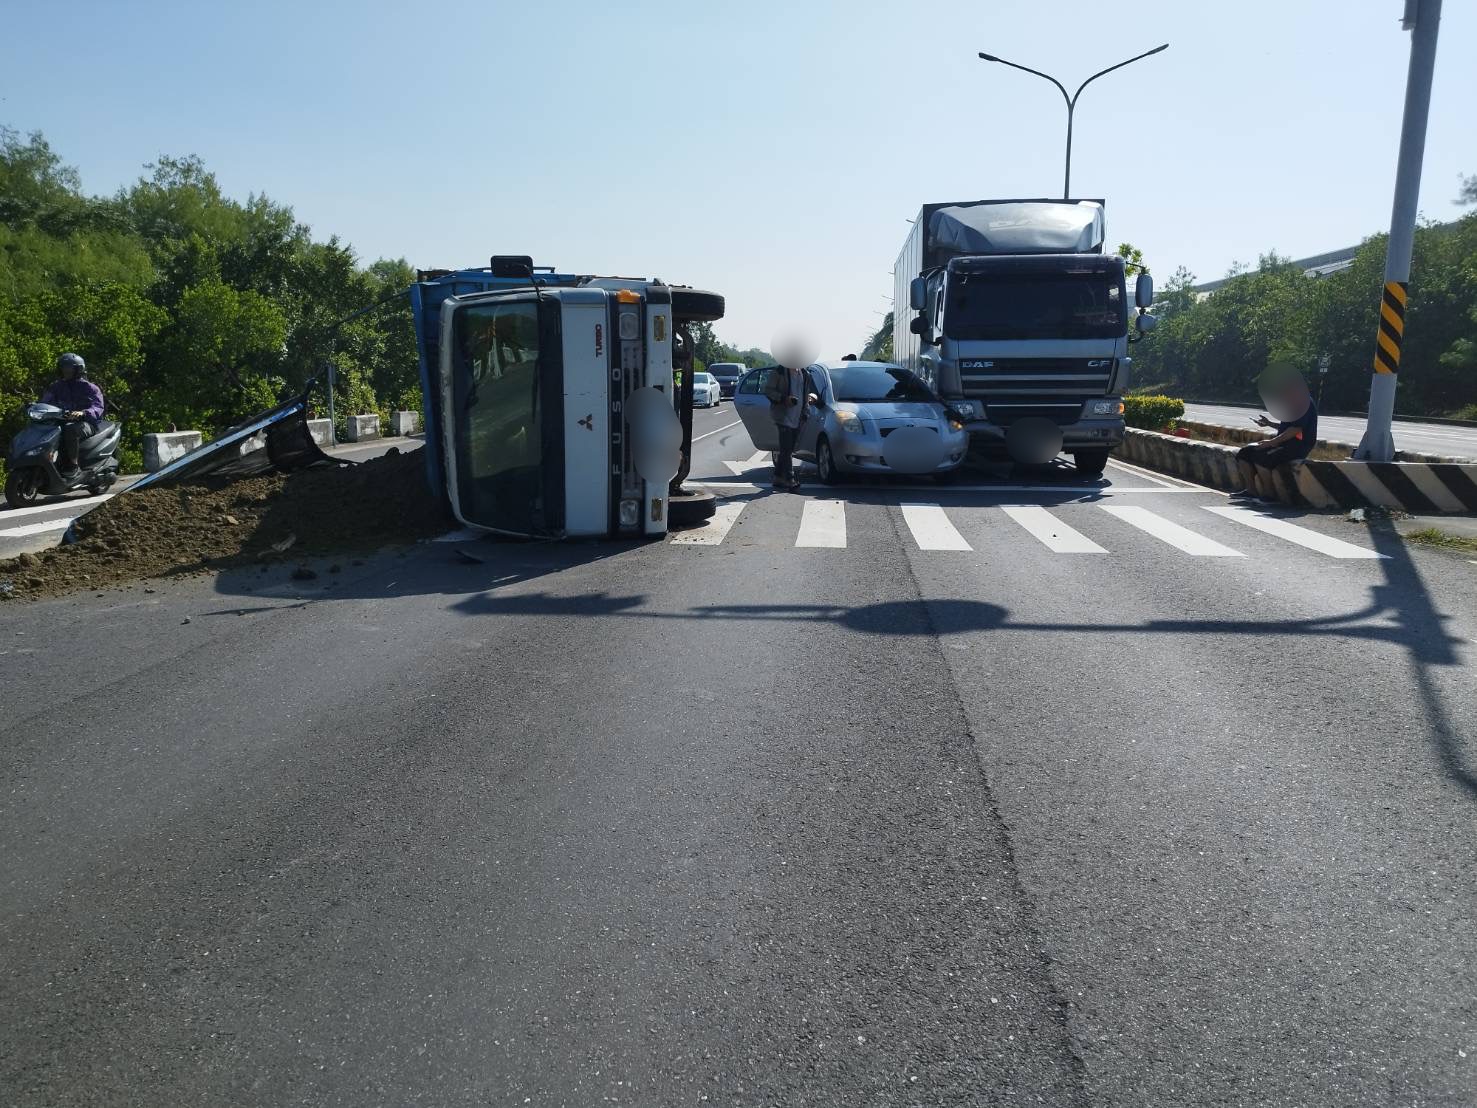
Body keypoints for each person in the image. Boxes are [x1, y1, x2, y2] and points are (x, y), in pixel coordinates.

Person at [1233, 367, 1317, 499]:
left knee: (1262, 458)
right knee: (1244, 453)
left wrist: (1271, 443)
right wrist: (1269, 423)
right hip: (1284, 442)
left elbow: (1296, 429)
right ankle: (1251, 490)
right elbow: (1287, 427)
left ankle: (1269, 495)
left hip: (1297, 445)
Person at [40, 353, 105, 476]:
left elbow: (98, 407)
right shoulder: (56, 387)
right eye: (63, 368)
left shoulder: (90, 388)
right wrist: (35, 407)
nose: (66, 371)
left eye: (69, 368)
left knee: (70, 429)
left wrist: (84, 413)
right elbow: (46, 401)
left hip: (86, 423)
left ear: (78, 369)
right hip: (61, 420)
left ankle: (73, 465)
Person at [763, 362, 817, 490]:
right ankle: (790, 478)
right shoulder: (779, 372)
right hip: (782, 416)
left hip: (797, 417)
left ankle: (777, 477)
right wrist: (783, 399)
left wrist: (806, 411)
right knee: (787, 449)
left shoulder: (805, 373)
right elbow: (768, 390)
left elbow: (808, 394)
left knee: (788, 449)